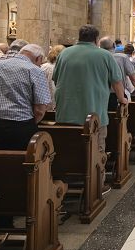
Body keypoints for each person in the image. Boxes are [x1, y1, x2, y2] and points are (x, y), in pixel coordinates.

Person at [54, 25, 127, 193]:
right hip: (94, 114)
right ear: (96, 39)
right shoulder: (104, 55)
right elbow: (117, 81)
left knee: (69, 148)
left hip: (65, 114)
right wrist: (122, 99)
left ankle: (68, 180)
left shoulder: (64, 53)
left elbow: (56, 78)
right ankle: (96, 186)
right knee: (97, 148)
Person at [0, 43, 51, 228]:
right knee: (26, 173)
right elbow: (40, 108)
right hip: (23, 128)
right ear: (38, 58)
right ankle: (28, 213)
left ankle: (3, 219)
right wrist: (32, 123)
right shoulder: (34, 70)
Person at [99, 37, 135, 103]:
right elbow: (133, 77)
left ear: (100, 47)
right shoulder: (122, 57)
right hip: (117, 94)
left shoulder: (96, 58)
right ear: (114, 46)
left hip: (100, 95)